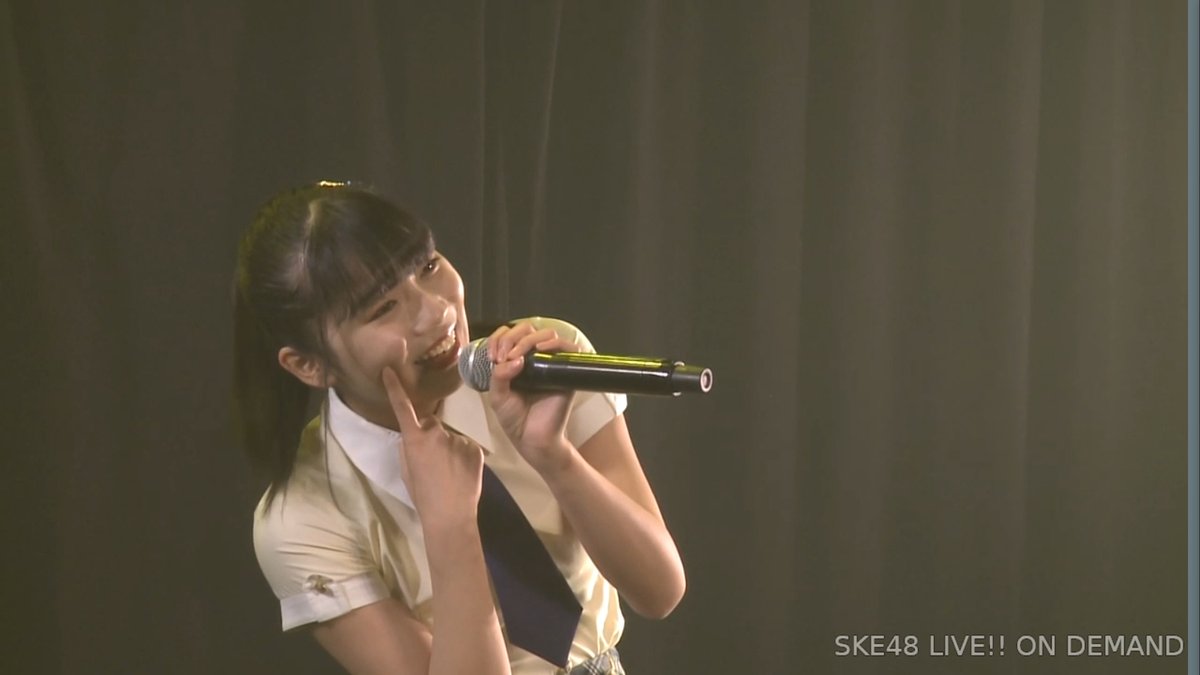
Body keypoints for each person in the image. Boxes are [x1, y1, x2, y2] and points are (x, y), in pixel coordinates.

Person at [232, 181, 686, 674]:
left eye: (427, 266)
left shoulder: (542, 362)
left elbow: (659, 590)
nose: (438, 311)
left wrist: (553, 456)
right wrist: (451, 527)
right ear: (308, 365)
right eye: (383, 308)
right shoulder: (299, 517)